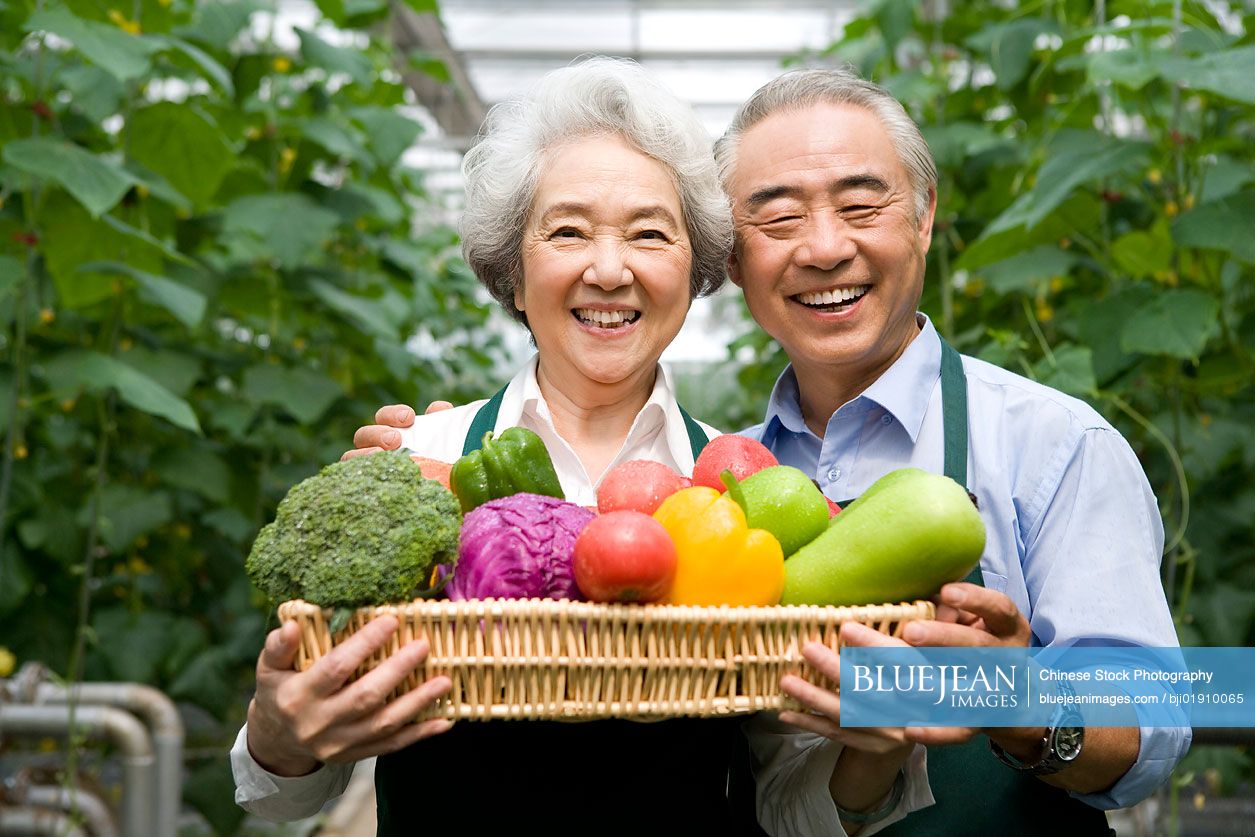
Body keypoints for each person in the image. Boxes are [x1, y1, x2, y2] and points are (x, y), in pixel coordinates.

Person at [358, 67, 1190, 835]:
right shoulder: (717, 481)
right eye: (779, 216)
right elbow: (773, 794)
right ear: (736, 257)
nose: (823, 247)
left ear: (925, 214)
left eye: (861, 205)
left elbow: (1169, 713)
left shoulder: (1052, 444)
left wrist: (1022, 699)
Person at [232, 58, 933, 836]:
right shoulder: (416, 456)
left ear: (695, 267)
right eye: (567, 231)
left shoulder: (742, 487)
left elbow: (785, 808)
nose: (609, 269)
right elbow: (285, 794)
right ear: (512, 265)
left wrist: (875, 753)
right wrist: (278, 734)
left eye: (648, 233)